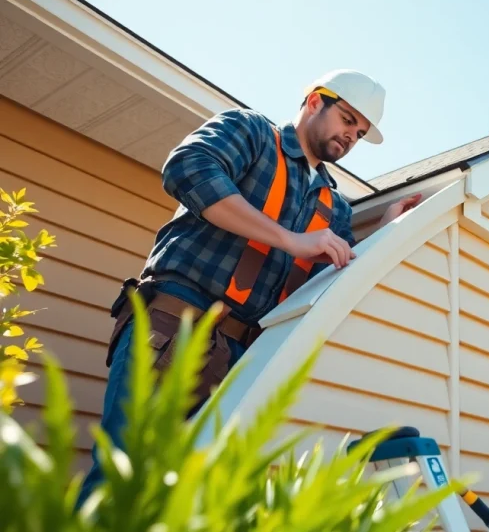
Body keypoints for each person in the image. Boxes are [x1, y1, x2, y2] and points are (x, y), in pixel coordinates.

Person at [76, 69, 420, 506]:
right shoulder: (252, 133)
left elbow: (333, 280)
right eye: (348, 119)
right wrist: (291, 238)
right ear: (315, 102)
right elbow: (188, 167)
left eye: (360, 131)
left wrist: (385, 231)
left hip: (243, 358)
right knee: (121, 477)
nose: (351, 136)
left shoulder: (335, 207)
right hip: (174, 327)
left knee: (187, 499)